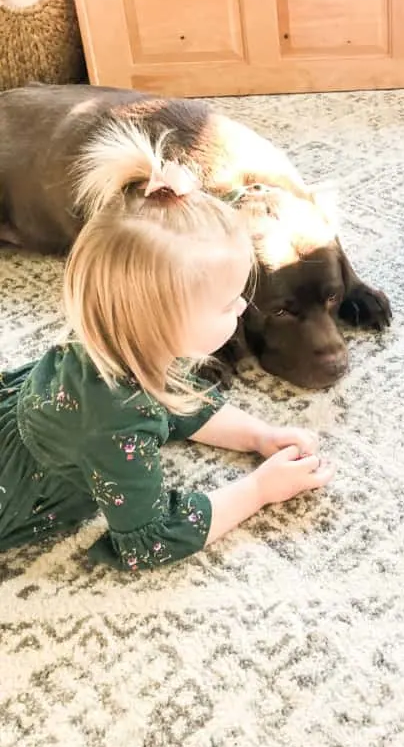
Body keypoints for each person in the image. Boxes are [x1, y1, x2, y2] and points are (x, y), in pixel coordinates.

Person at [0, 124, 333, 571]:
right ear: (157, 325)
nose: (240, 306)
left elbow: (182, 403)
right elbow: (150, 538)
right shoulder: (111, 423)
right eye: (226, 303)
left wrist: (258, 435)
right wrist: (258, 490)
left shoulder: (122, 339)